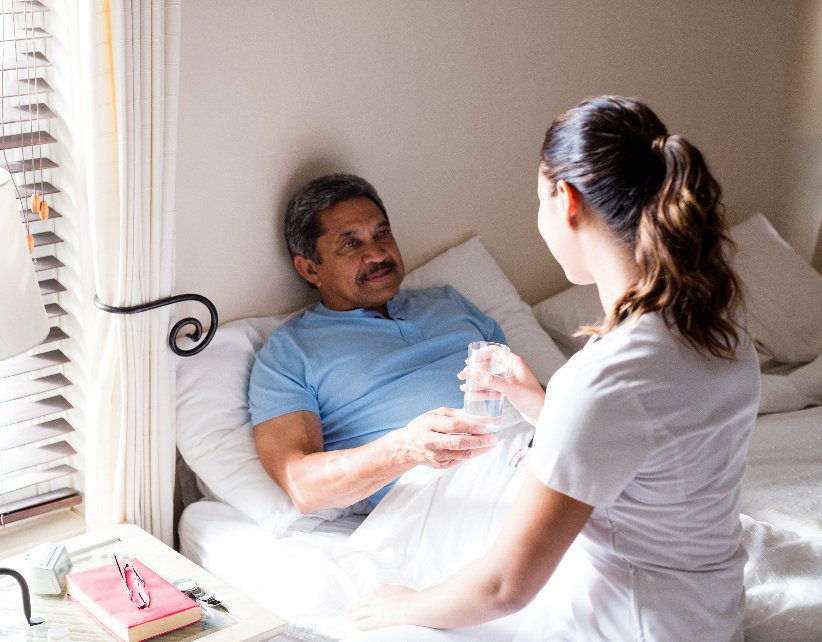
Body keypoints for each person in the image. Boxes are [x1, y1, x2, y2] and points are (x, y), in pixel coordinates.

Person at [348, 95, 759, 641]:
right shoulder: (716, 325)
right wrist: (538, 401)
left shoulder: (605, 379)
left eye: (538, 200)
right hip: (708, 613)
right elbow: (650, 448)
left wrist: (405, 605)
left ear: (566, 200)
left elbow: (506, 587)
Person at [248, 173, 508, 514]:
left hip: (530, 455)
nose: (376, 253)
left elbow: (523, 391)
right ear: (310, 269)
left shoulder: (447, 302)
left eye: (381, 233)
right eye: (351, 243)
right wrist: (408, 447)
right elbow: (303, 486)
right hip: (450, 500)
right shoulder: (290, 353)